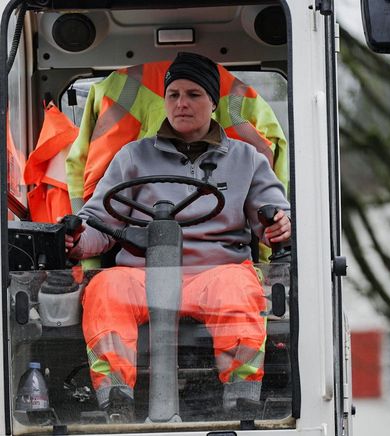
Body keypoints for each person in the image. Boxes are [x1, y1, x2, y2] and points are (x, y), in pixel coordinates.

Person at [64, 52, 291, 422]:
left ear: (213, 102)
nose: (181, 103)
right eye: (173, 94)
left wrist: (280, 225)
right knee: (106, 289)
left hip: (217, 270)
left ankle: (242, 399)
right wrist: (75, 238)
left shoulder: (248, 159)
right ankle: (116, 401)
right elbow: (96, 224)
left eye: (193, 94)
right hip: (143, 273)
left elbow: (274, 217)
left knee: (239, 286)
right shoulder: (131, 156)